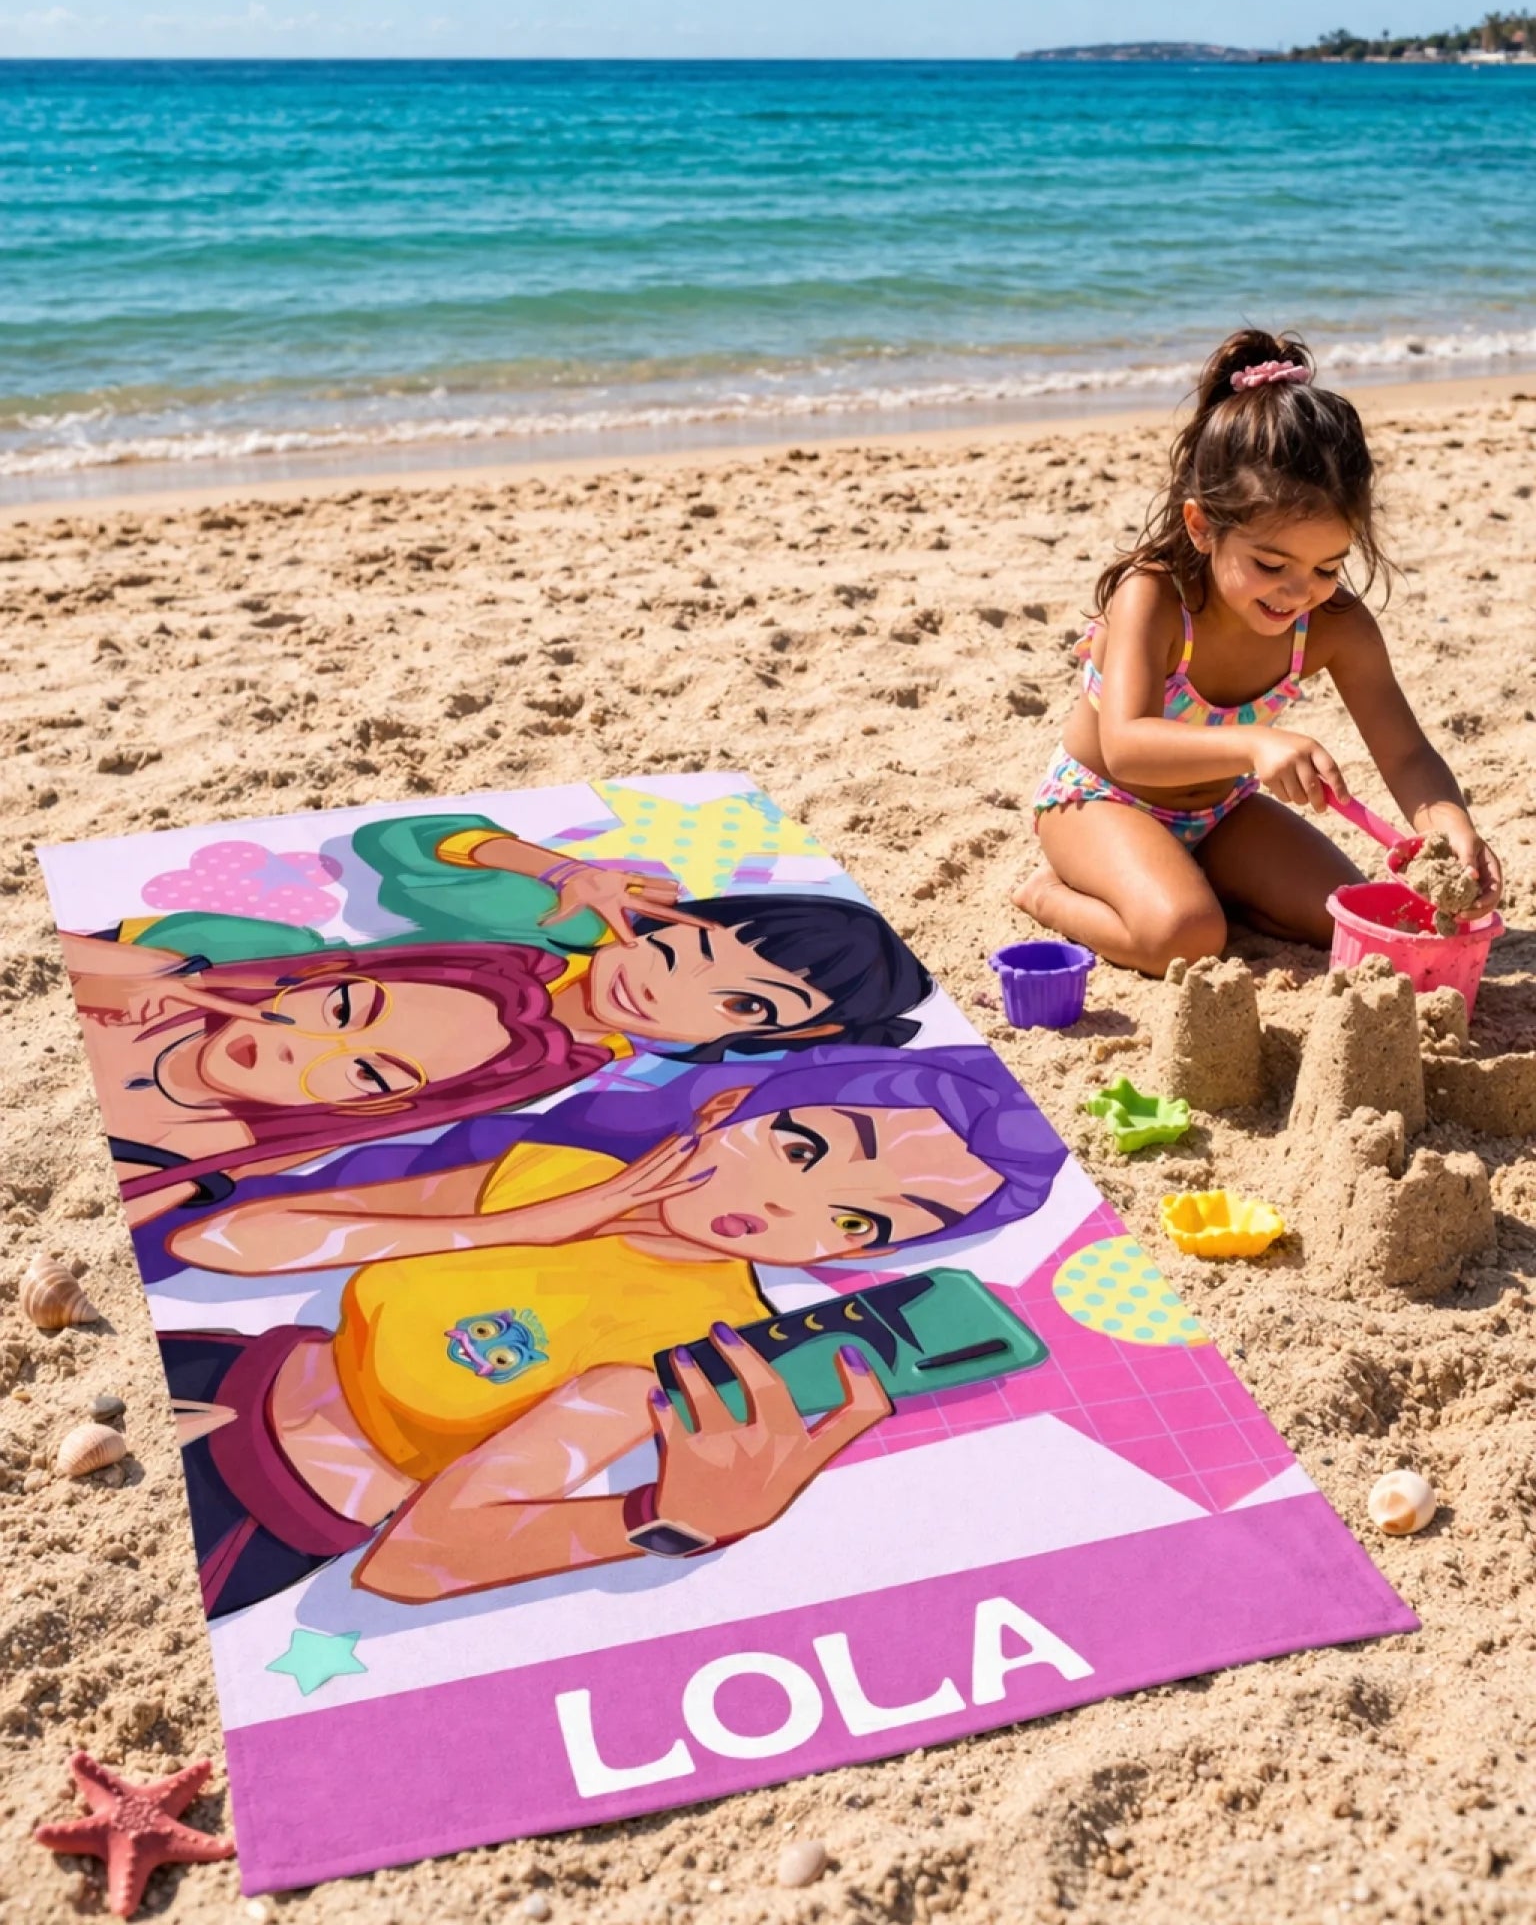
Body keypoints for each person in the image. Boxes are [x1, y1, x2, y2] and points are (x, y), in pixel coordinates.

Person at [158, 1046, 1065, 1614]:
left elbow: (412, 1559)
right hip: (207, 1364)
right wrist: (528, 1221)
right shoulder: (553, 1174)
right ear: (722, 1112)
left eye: (866, 1224)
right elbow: (223, 1239)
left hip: (253, 1521)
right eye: (804, 1148)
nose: (800, 1205)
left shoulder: (701, 1353)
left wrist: (665, 1521)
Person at [61, 814, 932, 1224]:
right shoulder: (558, 927)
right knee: (247, 947)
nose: (660, 993)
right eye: (672, 950)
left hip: (285, 1115)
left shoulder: (645, 1092)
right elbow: (396, 845)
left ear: (787, 1036)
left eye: (740, 1004)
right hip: (267, 992)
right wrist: (558, 870)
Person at [1015, 330, 1502, 975]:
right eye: (1271, 564)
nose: (1299, 592)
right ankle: (1049, 895)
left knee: (1351, 914)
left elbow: (1407, 753)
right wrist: (1256, 746)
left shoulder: (1332, 625)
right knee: (1185, 937)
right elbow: (1126, 744)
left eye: (1328, 566)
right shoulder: (1155, 598)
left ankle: (1190, 881)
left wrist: (1450, 827)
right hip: (1101, 800)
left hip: (1223, 813)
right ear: (1202, 526)